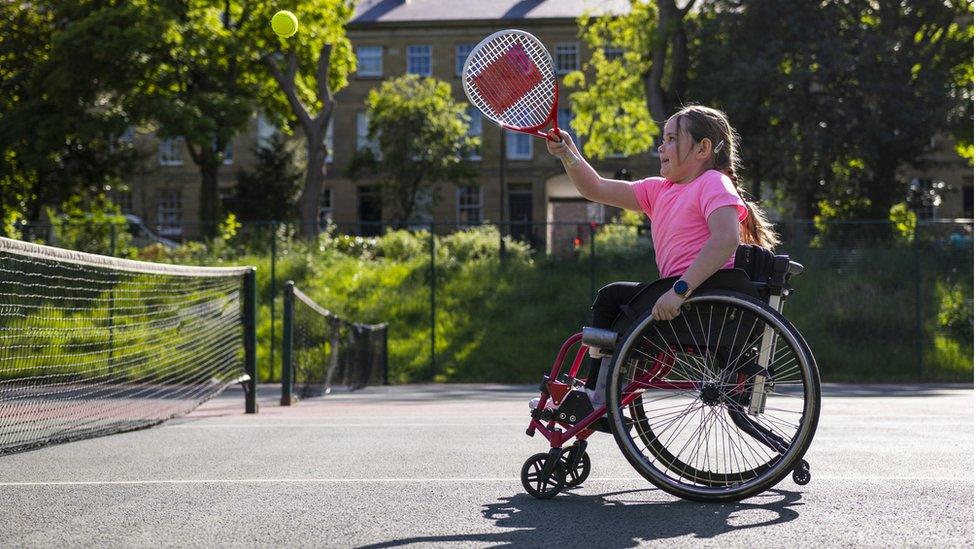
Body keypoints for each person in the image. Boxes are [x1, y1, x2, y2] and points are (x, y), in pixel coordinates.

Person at [540, 105, 780, 412]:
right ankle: (602, 391)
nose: (660, 147)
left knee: (613, 298)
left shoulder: (712, 183)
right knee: (614, 300)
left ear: (702, 149)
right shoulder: (660, 190)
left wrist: (680, 291)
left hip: (701, 299)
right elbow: (596, 188)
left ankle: (599, 396)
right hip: (683, 296)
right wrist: (568, 152)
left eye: (670, 139)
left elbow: (726, 239)